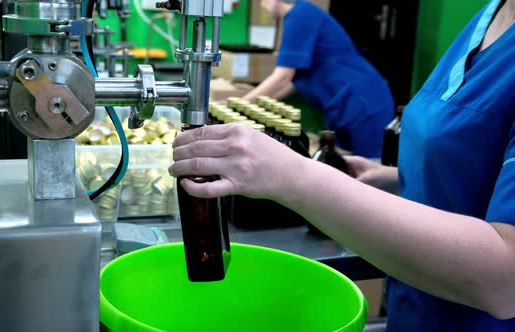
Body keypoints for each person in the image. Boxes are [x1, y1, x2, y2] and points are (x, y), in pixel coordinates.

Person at [170, 0, 515, 330]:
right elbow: (472, 163)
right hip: (419, 312)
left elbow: (505, 281)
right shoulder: (493, 14)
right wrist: (392, 179)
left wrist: (295, 176)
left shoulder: (301, 16)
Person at [239, 0, 395, 158]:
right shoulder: (299, 14)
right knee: (343, 164)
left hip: (363, 102)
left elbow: (283, 77)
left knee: (369, 168)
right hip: (342, 106)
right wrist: (253, 105)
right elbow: (291, 82)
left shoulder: (299, 14)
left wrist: (241, 104)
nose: (262, 5)